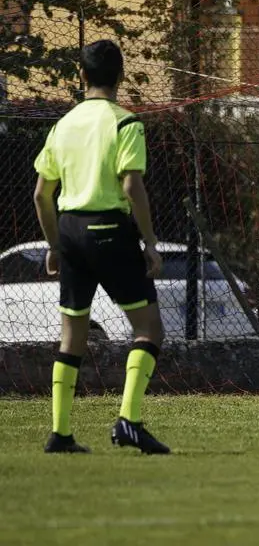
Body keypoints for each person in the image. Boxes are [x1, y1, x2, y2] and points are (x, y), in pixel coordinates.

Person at [33, 39, 169, 454]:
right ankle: (128, 421)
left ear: (82, 77)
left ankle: (60, 433)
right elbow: (131, 185)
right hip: (109, 227)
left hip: (70, 229)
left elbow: (42, 194)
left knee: (71, 335)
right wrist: (149, 241)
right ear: (121, 77)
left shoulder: (63, 125)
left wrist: (55, 245)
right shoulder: (126, 123)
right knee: (149, 329)